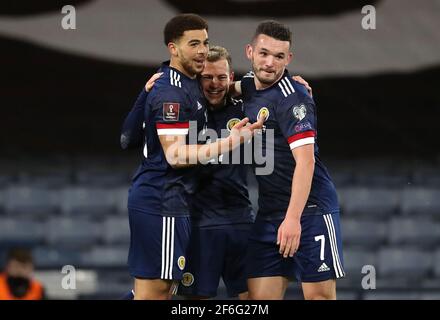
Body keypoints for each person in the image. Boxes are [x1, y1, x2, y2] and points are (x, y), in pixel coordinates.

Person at [125, 14, 263, 300]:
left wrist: (291, 86)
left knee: (161, 290)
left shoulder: (183, 83)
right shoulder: (172, 93)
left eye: (205, 42)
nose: (201, 50)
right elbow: (175, 156)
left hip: (174, 203)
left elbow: (127, 139)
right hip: (164, 199)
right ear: (173, 48)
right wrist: (230, 142)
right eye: (193, 44)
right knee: (157, 291)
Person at [235, 20, 345, 300]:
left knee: (319, 297)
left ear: (289, 59)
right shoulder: (247, 86)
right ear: (250, 51)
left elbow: (305, 162)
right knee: (256, 300)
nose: (270, 62)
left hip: (309, 210)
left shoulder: (293, 99)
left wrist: (293, 219)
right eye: (263, 53)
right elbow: (216, 88)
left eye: (279, 56)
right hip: (270, 211)